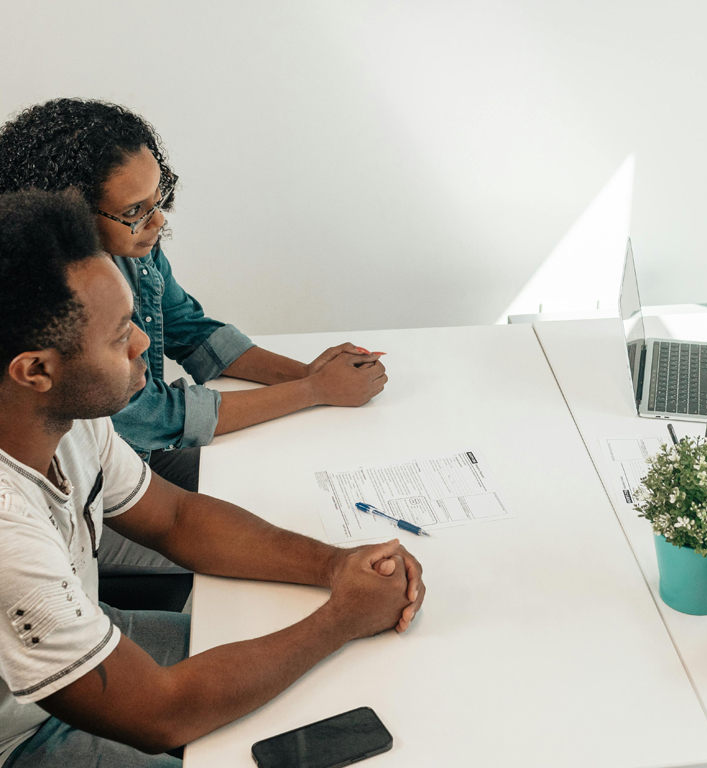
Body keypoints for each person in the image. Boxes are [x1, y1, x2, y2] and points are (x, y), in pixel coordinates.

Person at [0, 189, 425, 767]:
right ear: (37, 371)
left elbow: (175, 517)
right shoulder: (7, 533)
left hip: (79, 645)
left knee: (350, 676)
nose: (144, 344)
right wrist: (341, 618)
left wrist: (336, 566)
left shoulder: (65, 418)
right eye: (120, 334)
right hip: (19, 740)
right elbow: (157, 714)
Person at [0, 98, 388, 578]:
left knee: (285, 512)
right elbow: (149, 414)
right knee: (250, 553)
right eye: (136, 210)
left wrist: (312, 374)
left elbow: (189, 328)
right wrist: (312, 391)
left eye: (159, 199)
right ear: (70, 213)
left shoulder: (136, 253)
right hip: (94, 500)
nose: (159, 221)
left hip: (133, 471)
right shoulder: (45, 303)